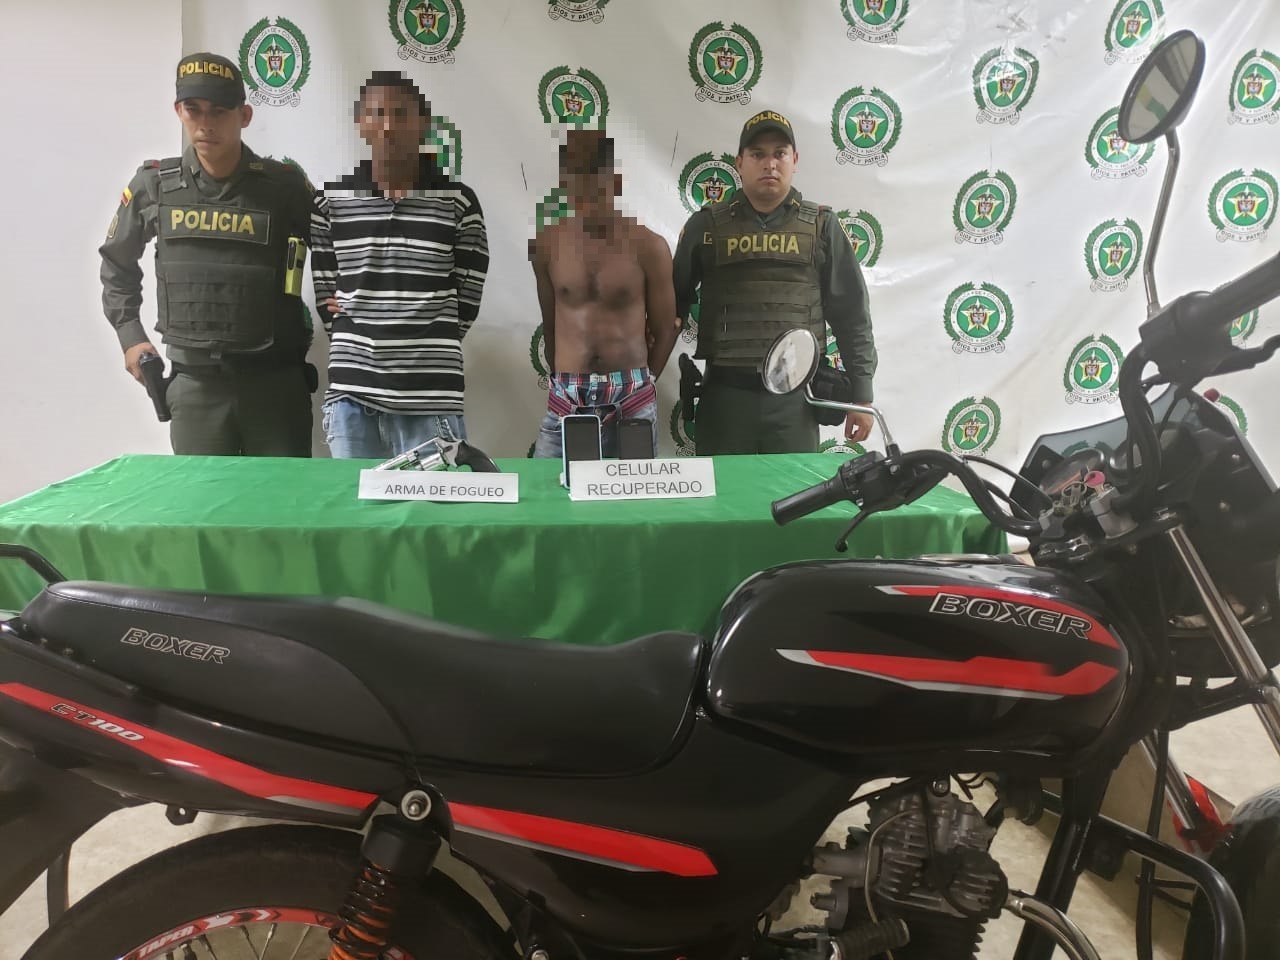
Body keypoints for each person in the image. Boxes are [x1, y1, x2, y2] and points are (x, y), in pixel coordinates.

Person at [99, 52, 317, 457]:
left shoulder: (284, 187)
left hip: (276, 384)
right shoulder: (154, 185)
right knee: (201, 498)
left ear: (244, 115)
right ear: (178, 111)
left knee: (284, 498)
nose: (205, 123)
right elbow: (117, 263)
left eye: (219, 111)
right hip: (195, 385)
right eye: (193, 110)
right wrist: (131, 337)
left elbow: (340, 252)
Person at [672, 109, 878, 455]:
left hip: (796, 401)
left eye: (779, 153)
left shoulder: (822, 226)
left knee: (794, 489)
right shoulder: (706, 226)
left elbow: (852, 316)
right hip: (725, 398)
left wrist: (862, 395)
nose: (770, 164)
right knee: (725, 491)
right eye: (758, 154)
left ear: (794, 160)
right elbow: (670, 306)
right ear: (739, 163)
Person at [311, 71, 489, 460]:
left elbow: (467, 300)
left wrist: (419, 340)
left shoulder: (458, 203)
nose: (388, 126)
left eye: (401, 114)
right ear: (360, 122)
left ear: (423, 123)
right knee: (351, 502)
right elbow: (327, 295)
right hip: (351, 399)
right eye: (377, 114)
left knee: (431, 503)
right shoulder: (330, 202)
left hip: (431, 400)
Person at [530, 131, 679, 458]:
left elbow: (667, 327)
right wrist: (561, 380)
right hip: (567, 397)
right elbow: (551, 325)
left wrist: (645, 382)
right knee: (546, 489)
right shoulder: (546, 246)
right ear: (564, 184)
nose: (586, 194)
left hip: (632, 399)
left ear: (616, 182)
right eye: (576, 181)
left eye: (596, 181)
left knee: (633, 492)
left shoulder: (649, 246)